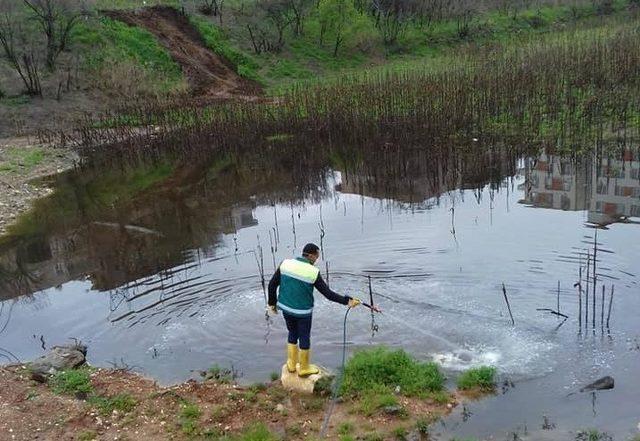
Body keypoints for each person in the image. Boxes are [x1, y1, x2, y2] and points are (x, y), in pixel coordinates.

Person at [267, 243, 361, 377]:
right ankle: (304, 368)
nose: (317, 259)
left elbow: (271, 285)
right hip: (303, 313)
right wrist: (347, 301)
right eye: (316, 256)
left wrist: (272, 304)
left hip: (286, 309)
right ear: (310, 255)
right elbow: (328, 294)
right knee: (304, 336)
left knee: (292, 332)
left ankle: (292, 364)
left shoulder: (285, 264)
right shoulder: (313, 272)